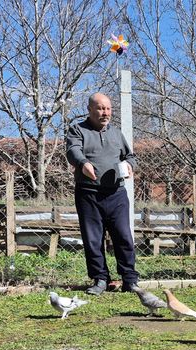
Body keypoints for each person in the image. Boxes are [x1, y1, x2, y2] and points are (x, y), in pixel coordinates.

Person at [66, 92, 139, 295]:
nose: (105, 112)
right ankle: (100, 279)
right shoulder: (77, 130)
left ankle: (130, 279)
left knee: (124, 236)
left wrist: (130, 165)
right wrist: (83, 163)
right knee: (93, 239)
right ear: (90, 110)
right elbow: (73, 151)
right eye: (100, 108)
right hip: (88, 194)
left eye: (107, 108)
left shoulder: (116, 133)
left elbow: (130, 156)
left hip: (116, 194)